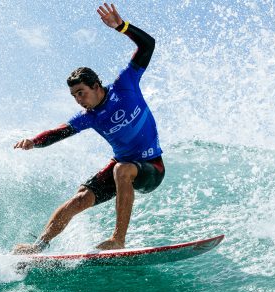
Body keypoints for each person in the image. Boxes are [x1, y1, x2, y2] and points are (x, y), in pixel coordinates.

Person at [13, 3, 164, 254]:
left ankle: (118, 239)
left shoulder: (125, 84)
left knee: (122, 169)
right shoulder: (89, 117)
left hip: (152, 168)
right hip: (122, 168)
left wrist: (122, 27)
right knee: (80, 198)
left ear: (96, 86)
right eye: (74, 96)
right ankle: (38, 246)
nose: (78, 99)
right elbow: (58, 132)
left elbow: (148, 45)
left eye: (81, 92)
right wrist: (34, 141)